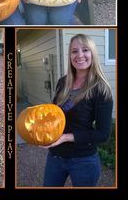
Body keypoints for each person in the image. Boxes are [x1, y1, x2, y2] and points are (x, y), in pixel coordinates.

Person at [42, 34, 113, 187]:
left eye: (85, 50)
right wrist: (42, 132)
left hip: (83, 159)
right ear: (70, 56)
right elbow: (55, 115)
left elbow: (103, 134)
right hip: (56, 156)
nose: (79, 55)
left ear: (93, 53)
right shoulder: (63, 82)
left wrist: (65, 137)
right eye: (74, 51)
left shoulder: (101, 89)